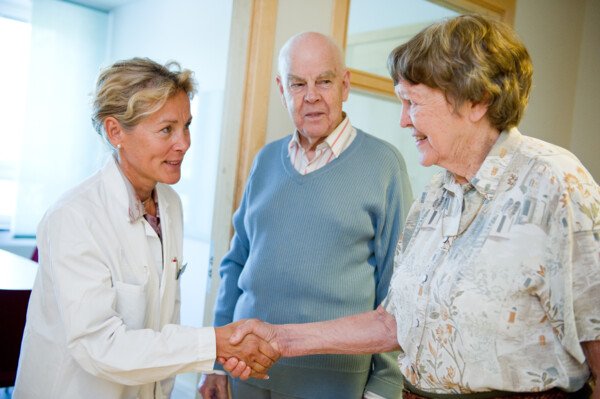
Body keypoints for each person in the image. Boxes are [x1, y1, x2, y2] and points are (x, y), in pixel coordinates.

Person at [225, 14, 600, 399]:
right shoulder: (438, 193)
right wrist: (280, 340)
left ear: (476, 101)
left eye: (413, 102)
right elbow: (394, 323)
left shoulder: (554, 184)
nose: (404, 120)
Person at [13, 57, 278, 399]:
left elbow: (165, 322)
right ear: (115, 131)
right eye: (167, 129)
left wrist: (216, 353)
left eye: (187, 126)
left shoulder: (169, 205)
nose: (184, 143)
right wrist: (214, 344)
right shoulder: (74, 217)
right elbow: (101, 346)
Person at [199, 32, 413, 399]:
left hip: (332, 381)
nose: (311, 96)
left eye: (324, 81)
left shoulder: (384, 165)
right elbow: (236, 263)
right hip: (247, 369)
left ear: (344, 85)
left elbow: (397, 287)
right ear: (282, 89)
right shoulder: (265, 160)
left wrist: (385, 384)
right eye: (298, 84)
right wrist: (217, 359)